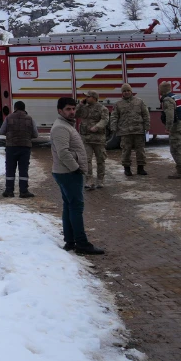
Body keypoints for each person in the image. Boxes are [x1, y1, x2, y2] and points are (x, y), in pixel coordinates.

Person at [50, 96, 105, 255]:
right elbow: (63, 153)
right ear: (60, 111)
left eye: (73, 109)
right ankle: (81, 243)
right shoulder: (61, 127)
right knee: (76, 207)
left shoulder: (66, 125)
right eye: (68, 109)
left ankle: (70, 241)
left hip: (66, 172)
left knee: (69, 206)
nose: (72, 112)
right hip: (68, 173)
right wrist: (76, 169)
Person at [0, 101, 36, 198]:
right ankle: (23, 191)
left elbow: (2, 131)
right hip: (25, 147)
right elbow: (35, 134)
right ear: (24, 108)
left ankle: (9, 191)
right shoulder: (30, 119)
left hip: (11, 147)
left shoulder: (8, 117)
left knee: (10, 169)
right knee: (23, 169)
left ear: (15, 108)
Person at [113, 83, 150, 176]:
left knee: (140, 150)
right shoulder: (118, 104)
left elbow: (145, 115)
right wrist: (113, 127)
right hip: (125, 131)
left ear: (131, 91)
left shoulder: (139, 102)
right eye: (124, 91)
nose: (126, 93)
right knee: (126, 151)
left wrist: (147, 126)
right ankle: (127, 169)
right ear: (122, 93)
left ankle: (141, 168)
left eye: (128, 91)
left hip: (138, 130)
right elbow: (114, 116)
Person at [76, 91, 110, 190]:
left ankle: (100, 180)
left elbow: (105, 120)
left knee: (100, 160)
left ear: (94, 98)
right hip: (86, 139)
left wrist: (97, 126)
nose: (86, 98)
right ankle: (89, 181)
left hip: (98, 139)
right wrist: (80, 105)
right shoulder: (84, 107)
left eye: (88, 96)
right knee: (86, 160)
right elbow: (76, 114)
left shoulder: (102, 108)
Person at [159, 81, 181, 178]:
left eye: (160, 89)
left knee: (175, 149)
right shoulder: (175, 96)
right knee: (179, 147)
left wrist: (168, 127)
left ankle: (180, 172)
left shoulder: (167, 99)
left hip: (176, 126)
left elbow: (170, 115)